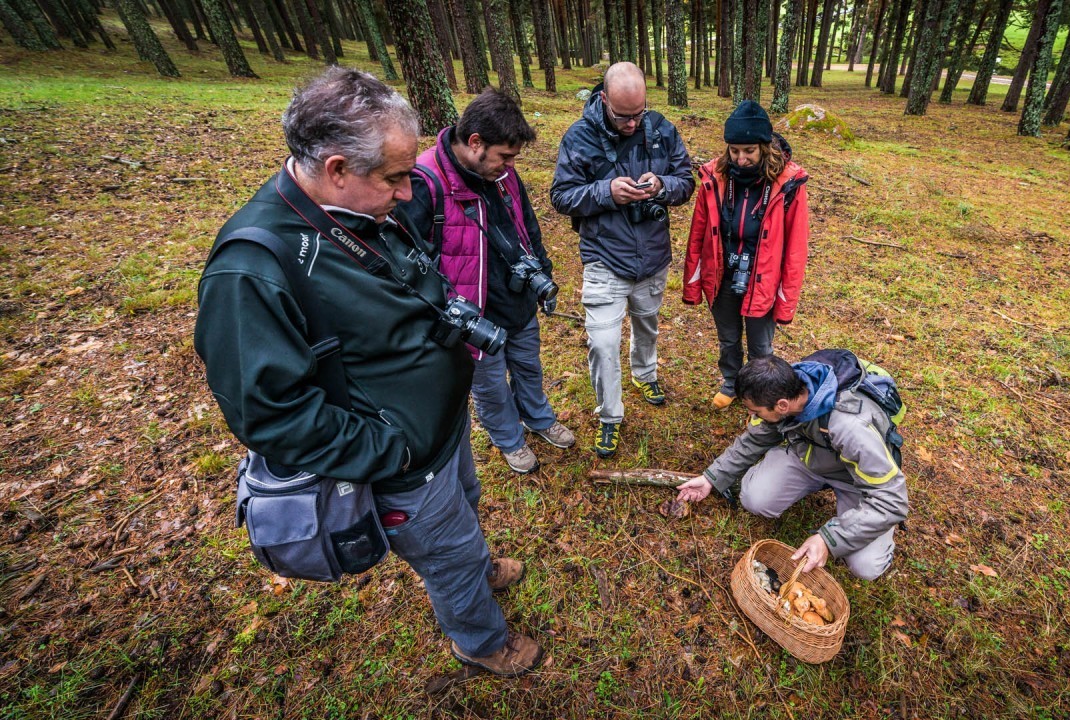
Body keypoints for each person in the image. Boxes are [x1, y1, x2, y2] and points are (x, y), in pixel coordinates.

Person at [193, 68, 542, 677]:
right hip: (402, 458)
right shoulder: (254, 267)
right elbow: (270, 414)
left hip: (442, 426)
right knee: (446, 549)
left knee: (466, 508)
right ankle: (480, 640)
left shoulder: (361, 208)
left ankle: (477, 567)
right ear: (335, 168)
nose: (410, 192)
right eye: (395, 177)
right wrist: (392, 450)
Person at [403, 88, 575, 475]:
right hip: (472, 310)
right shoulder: (425, 181)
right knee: (491, 384)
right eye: (505, 156)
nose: (510, 165)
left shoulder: (503, 174)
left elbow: (527, 225)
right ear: (476, 142)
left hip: (516, 296)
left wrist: (542, 270)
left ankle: (538, 417)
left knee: (529, 365)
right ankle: (508, 439)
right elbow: (410, 262)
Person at [550, 61, 694, 459]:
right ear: (603, 100)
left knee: (647, 325)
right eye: (622, 116)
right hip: (604, 258)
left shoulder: (662, 129)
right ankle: (610, 417)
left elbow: (686, 181)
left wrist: (663, 185)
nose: (632, 124)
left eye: (638, 114)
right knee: (604, 342)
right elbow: (561, 197)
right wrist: (606, 192)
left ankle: (644, 374)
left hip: (652, 256)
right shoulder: (579, 137)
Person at [676, 351, 908, 581]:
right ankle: (814, 483)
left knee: (866, 567)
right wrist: (711, 478)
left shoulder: (851, 428)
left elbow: (892, 500)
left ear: (782, 405)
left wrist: (828, 539)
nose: (750, 415)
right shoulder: (783, 389)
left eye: (755, 411)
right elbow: (755, 438)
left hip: (855, 480)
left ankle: (876, 538)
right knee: (755, 499)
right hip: (808, 458)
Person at [682, 100, 809, 410]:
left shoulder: (788, 185)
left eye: (749, 150)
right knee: (728, 338)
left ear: (764, 147)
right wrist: (693, 280)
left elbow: (796, 248)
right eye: (735, 151)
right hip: (722, 273)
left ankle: (760, 393)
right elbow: (698, 232)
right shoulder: (715, 178)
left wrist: (786, 297)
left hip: (763, 277)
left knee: (760, 346)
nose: (741, 158)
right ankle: (731, 381)